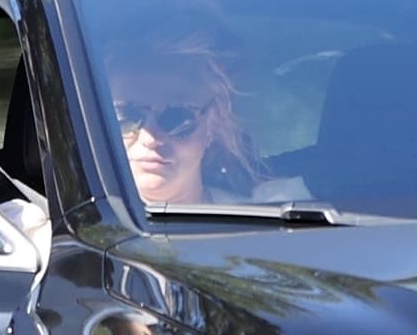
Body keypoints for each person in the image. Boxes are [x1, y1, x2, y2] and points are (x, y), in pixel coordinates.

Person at [105, 31, 307, 206]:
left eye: (177, 118)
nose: (150, 138)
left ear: (214, 122)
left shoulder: (276, 223)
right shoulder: (78, 227)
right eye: (126, 116)